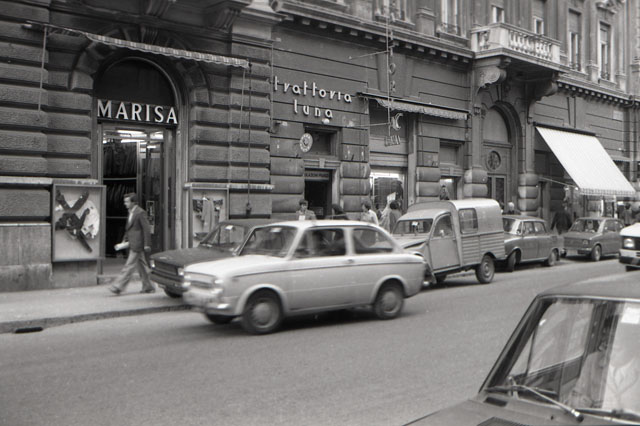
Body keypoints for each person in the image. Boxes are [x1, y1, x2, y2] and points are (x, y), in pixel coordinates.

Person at [109, 193, 155, 295]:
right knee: (142, 266)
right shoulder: (131, 212)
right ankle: (148, 286)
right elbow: (129, 228)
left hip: (137, 244)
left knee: (129, 266)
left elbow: (146, 229)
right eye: (125, 201)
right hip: (132, 242)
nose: (125, 204)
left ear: (133, 202)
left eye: (127, 202)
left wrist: (147, 244)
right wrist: (124, 240)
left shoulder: (140, 212)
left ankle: (118, 286)